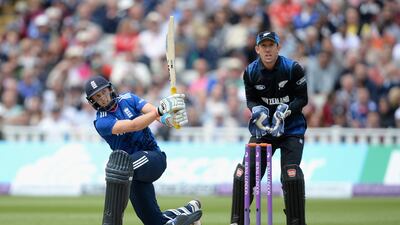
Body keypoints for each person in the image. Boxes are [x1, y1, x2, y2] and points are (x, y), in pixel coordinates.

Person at [84, 75, 202, 225]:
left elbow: (154, 112)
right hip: (131, 174)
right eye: (97, 96)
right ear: (92, 101)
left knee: (121, 167)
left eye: (103, 92)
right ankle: (188, 210)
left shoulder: (129, 99)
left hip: (153, 158)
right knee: (153, 221)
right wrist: (158, 112)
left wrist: (168, 118)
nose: (102, 98)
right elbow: (134, 125)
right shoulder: (101, 122)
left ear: (110, 89)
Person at [230, 31, 308, 225]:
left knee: (290, 174)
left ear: (278, 48)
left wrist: (286, 111)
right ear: (257, 49)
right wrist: (256, 110)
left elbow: (302, 98)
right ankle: (237, 220)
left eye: (270, 45)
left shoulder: (292, 69)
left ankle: (296, 221)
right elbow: (251, 99)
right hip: (264, 130)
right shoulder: (250, 72)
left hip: (292, 128)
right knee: (247, 174)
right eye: (263, 46)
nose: (267, 50)